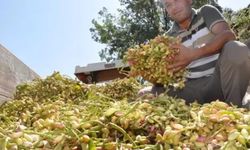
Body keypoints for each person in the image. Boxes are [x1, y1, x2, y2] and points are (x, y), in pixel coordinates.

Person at [139, 0, 250, 107]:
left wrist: (193, 54)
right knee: (145, 94)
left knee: (236, 49)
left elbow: (228, 35)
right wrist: (145, 72)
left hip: (220, 83)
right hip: (191, 90)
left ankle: (235, 109)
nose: (174, 7)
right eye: (168, 5)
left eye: (177, 0)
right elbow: (163, 78)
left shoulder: (205, 12)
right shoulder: (167, 39)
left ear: (189, 0)